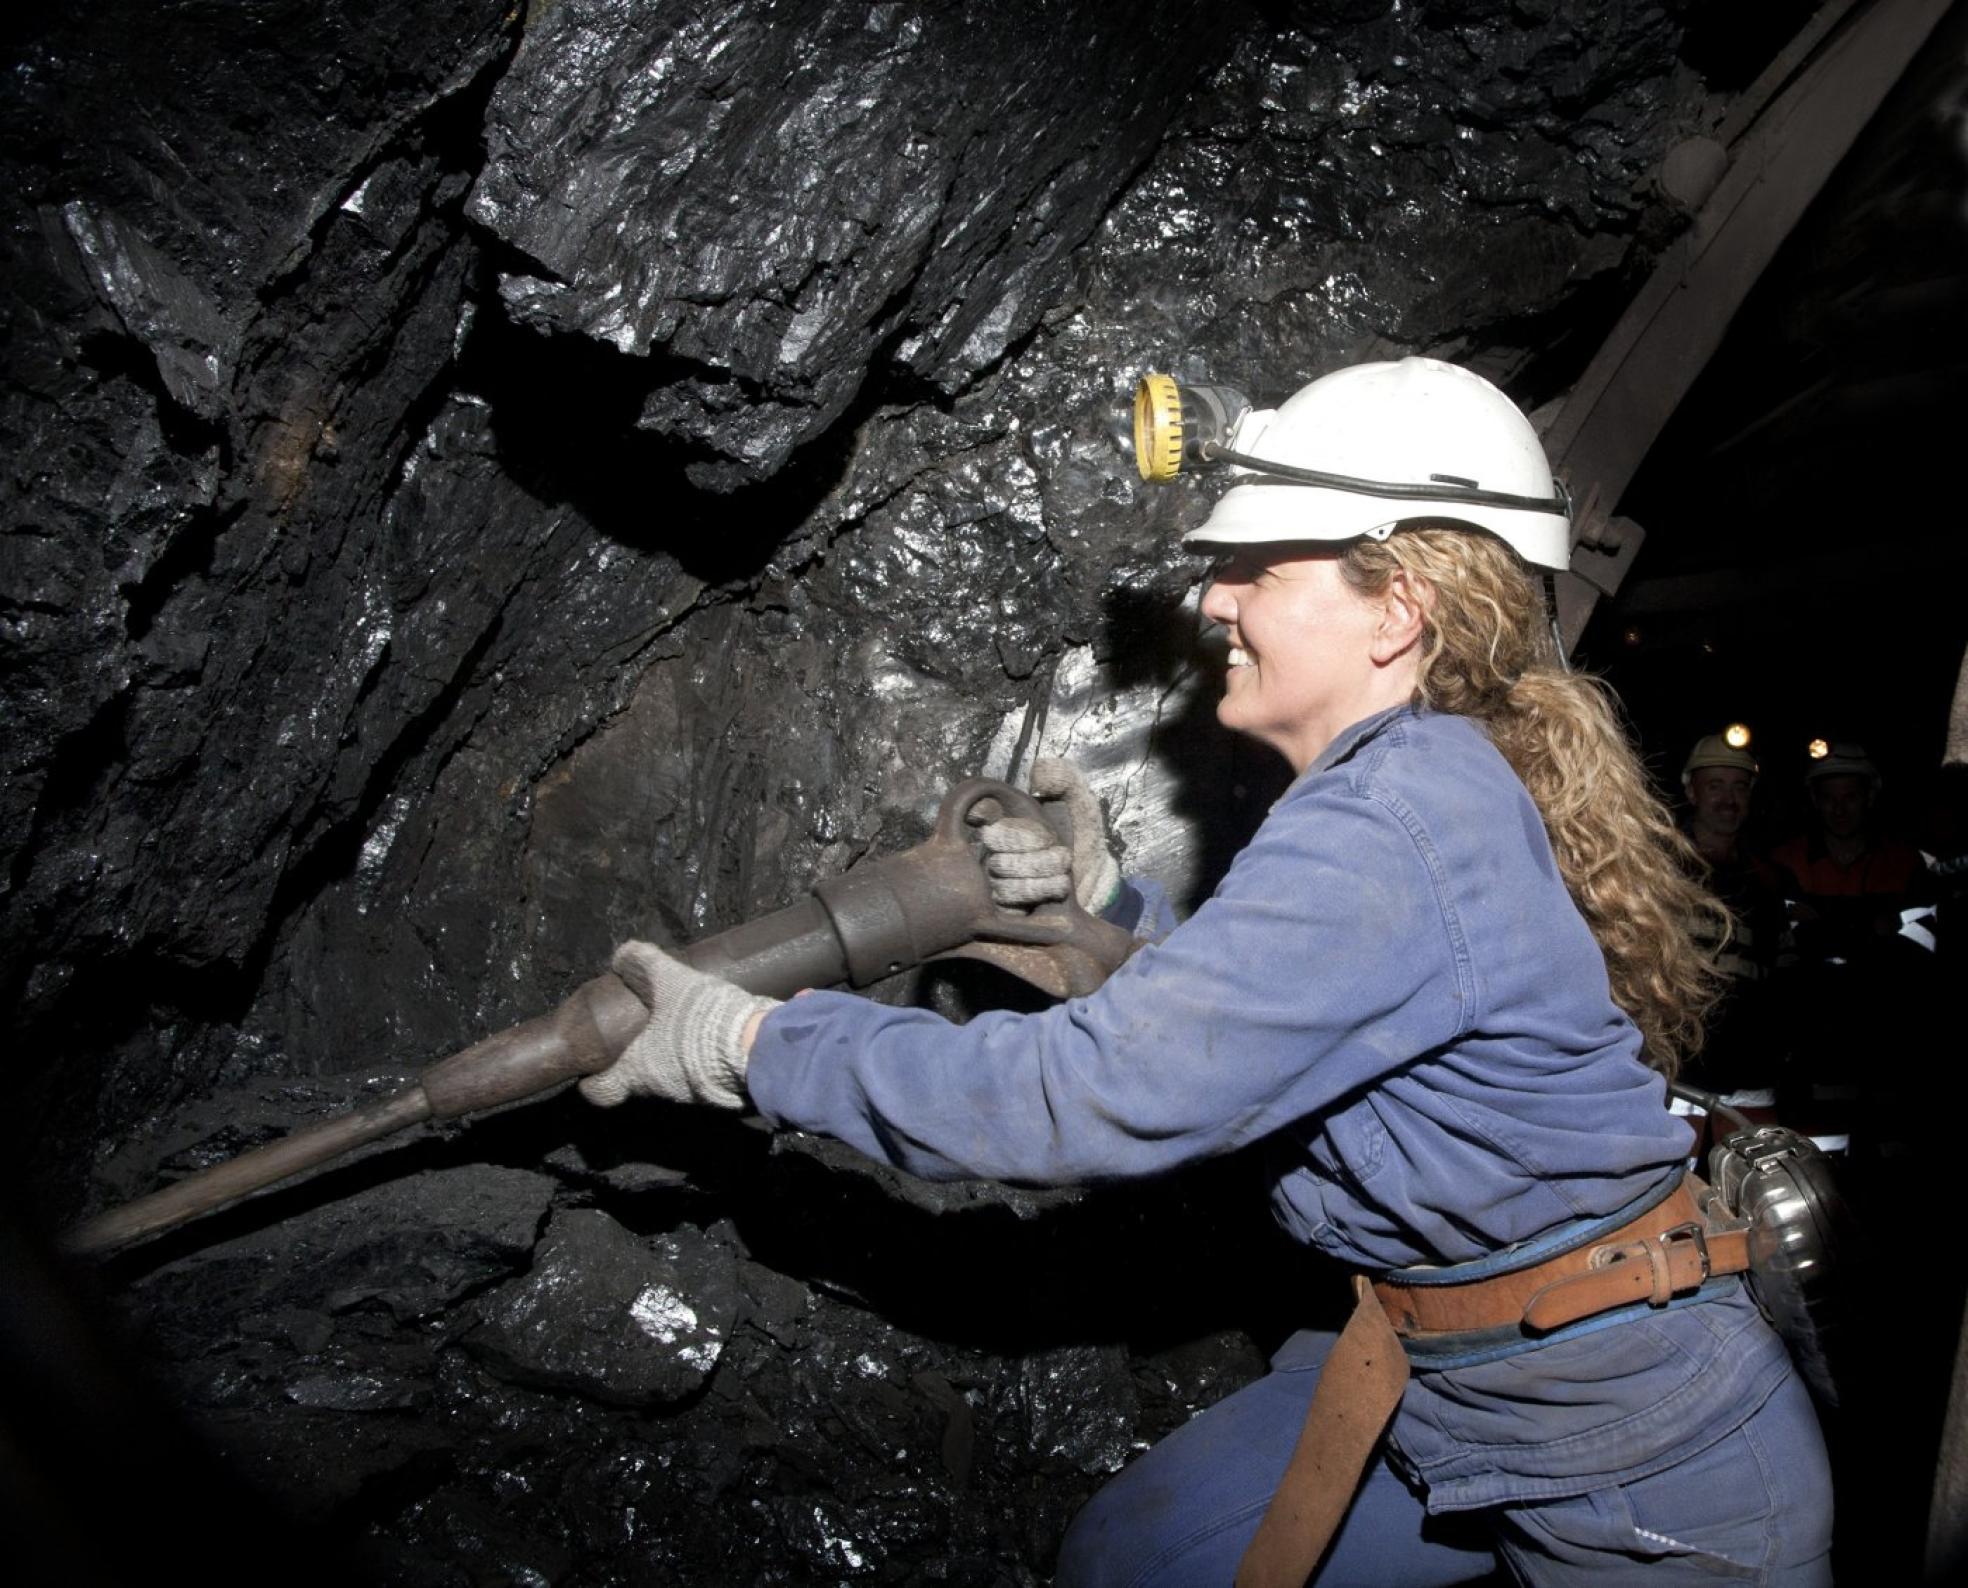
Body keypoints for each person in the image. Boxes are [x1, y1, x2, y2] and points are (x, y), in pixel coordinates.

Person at [579, 358, 1833, 1584]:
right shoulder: (1406, 790)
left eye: (1255, 567)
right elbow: (1292, 1012)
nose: (1211, 602)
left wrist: (749, 1043)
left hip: (1644, 1460)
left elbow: (1081, 1101)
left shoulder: (1392, 818)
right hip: (1450, 1370)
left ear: (1396, 608)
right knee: (1135, 1553)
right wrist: (1102, 910)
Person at [1677, 735, 1788, 1096]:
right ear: (1692, 792)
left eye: (1740, 787)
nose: (1729, 800)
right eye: (1715, 786)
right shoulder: (1656, 870)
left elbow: (1782, 971)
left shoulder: (1768, 880)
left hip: (1750, 1067)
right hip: (1674, 1069)